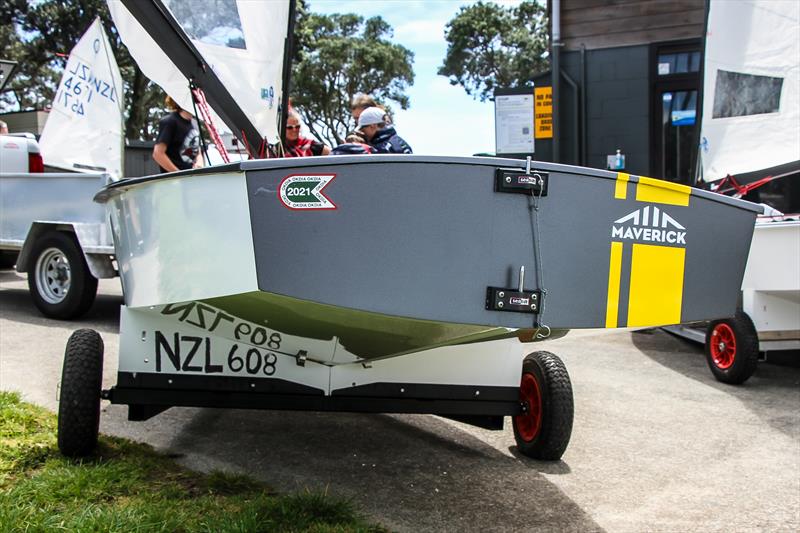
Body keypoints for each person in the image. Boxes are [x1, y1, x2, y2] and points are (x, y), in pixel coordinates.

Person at [152, 95, 202, 173]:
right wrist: (178, 174)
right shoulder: (170, 122)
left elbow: (197, 152)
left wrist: (199, 163)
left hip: (191, 179)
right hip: (173, 181)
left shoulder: (195, 124)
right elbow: (158, 153)